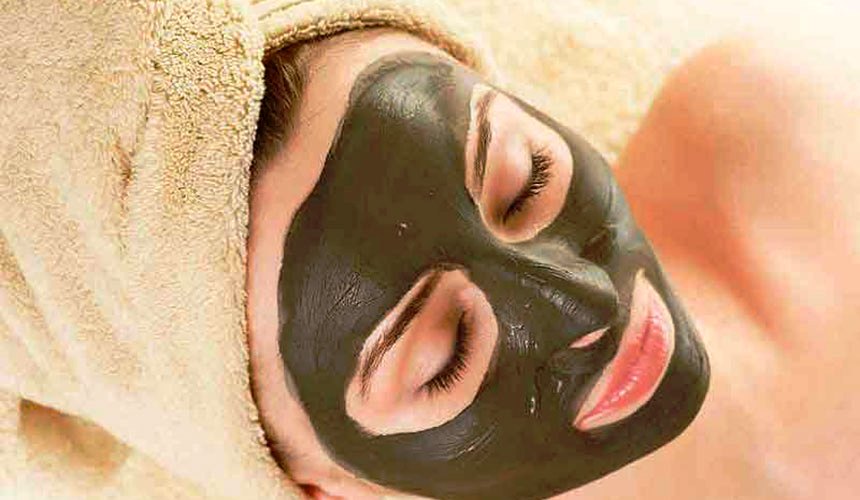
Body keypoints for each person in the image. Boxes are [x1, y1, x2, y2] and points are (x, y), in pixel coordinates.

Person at [2, 1, 858, 499]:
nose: (588, 302)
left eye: (526, 181)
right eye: (444, 356)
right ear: (323, 487)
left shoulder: (797, 138)